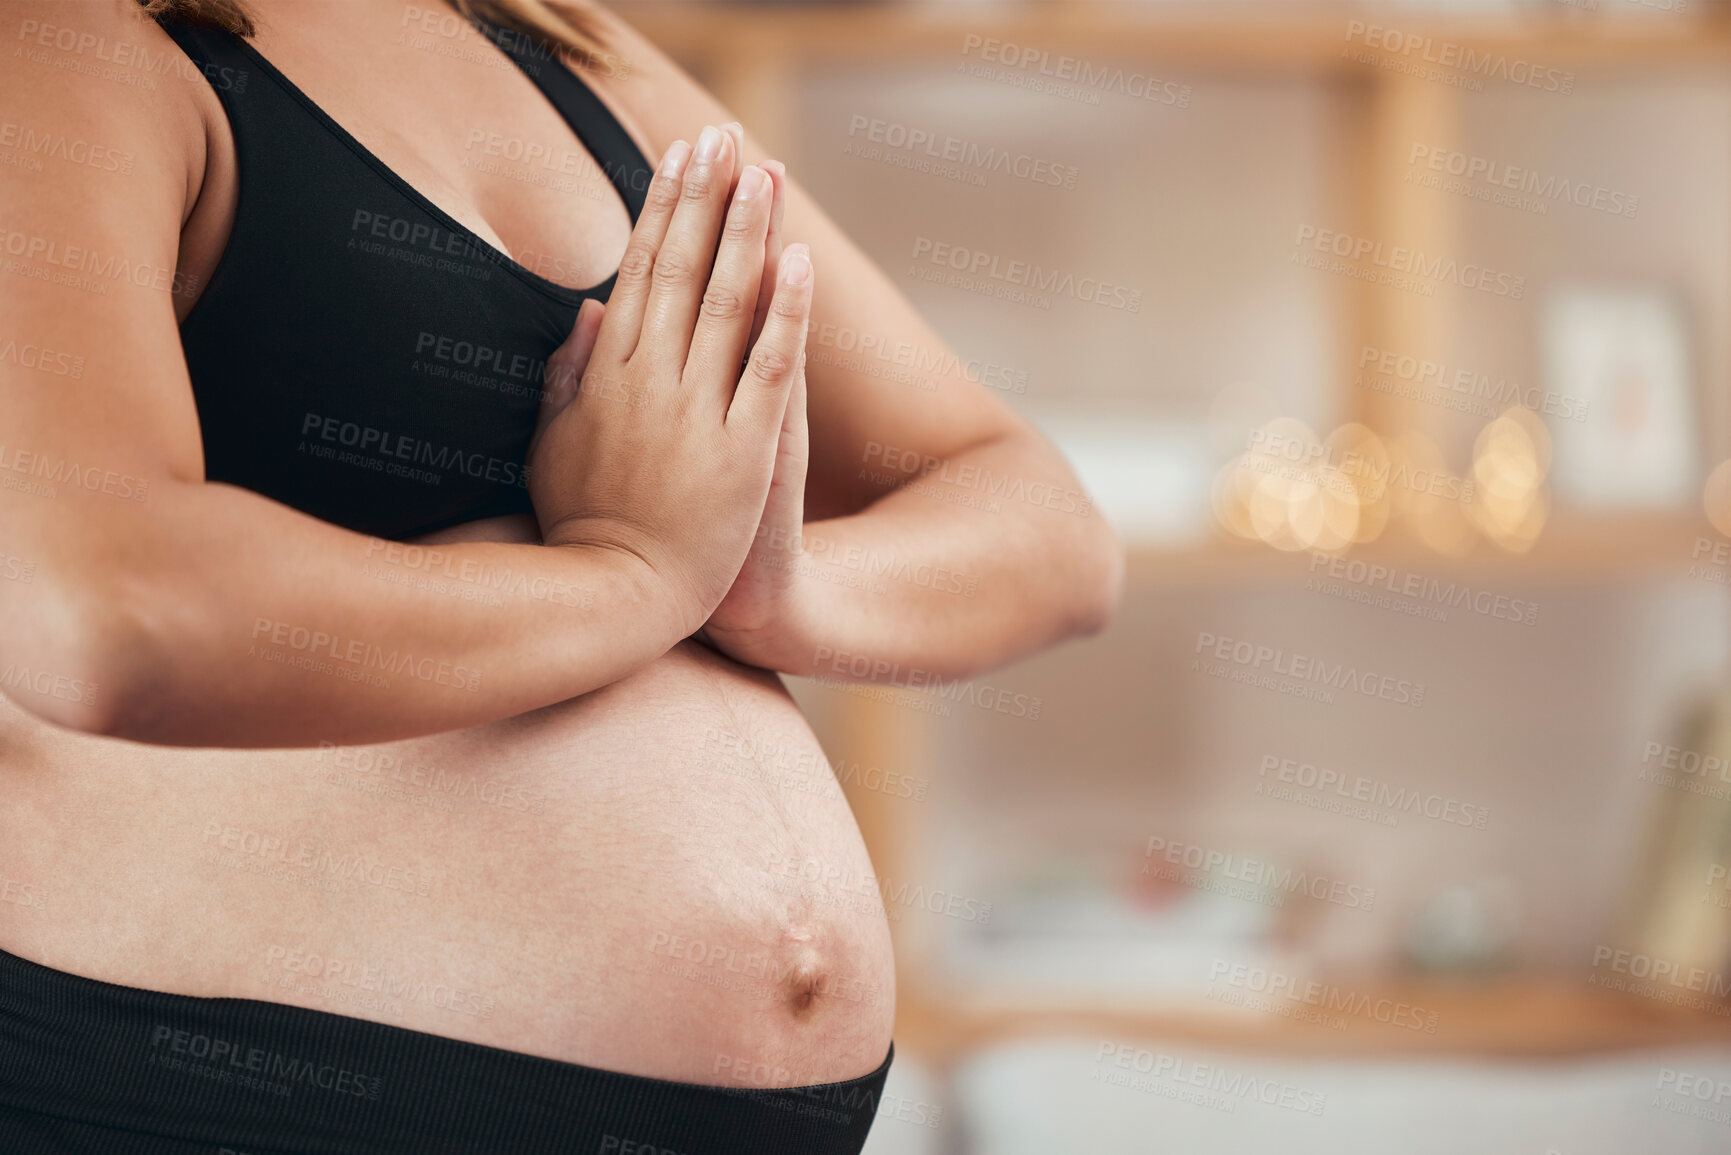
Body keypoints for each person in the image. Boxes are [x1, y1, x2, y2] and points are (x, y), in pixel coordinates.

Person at [0, 0, 1121, 1150]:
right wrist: (631, 578)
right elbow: (97, 609)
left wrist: (766, 588)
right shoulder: (57, 45)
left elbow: (1051, 530)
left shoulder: (560, 40)